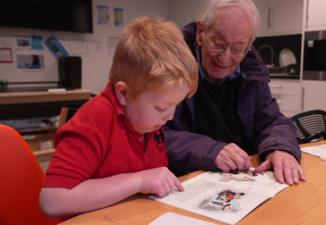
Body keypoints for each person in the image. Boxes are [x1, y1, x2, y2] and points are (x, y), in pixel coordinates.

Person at [39, 17, 198, 217]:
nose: (170, 115)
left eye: (176, 105)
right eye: (161, 107)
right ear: (123, 94)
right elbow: (52, 201)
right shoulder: (96, 118)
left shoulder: (147, 121)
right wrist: (138, 180)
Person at [165, 0, 306, 185]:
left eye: (238, 48)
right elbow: (151, 134)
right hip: (183, 181)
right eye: (218, 43)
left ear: (248, 48)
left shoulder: (253, 74)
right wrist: (209, 150)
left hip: (239, 180)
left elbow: (272, 120)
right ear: (201, 32)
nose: (224, 58)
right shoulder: (168, 65)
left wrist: (280, 148)